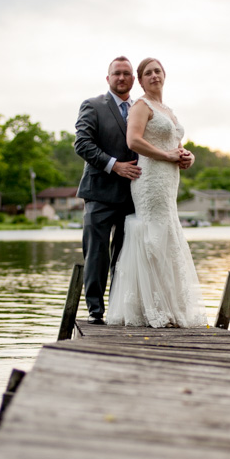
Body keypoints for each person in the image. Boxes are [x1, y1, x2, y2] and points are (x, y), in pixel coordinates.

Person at [107, 58, 208, 328]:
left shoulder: (169, 111)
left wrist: (188, 158)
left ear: (165, 75)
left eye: (157, 71)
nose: (154, 76)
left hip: (169, 181)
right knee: (154, 236)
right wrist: (166, 155)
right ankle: (150, 308)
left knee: (168, 236)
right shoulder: (141, 105)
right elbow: (133, 140)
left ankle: (170, 306)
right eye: (148, 73)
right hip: (149, 179)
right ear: (140, 81)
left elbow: (177, 145)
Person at [74, 57, 141, 324]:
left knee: (124, 257)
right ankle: (95, 312)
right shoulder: (92, 105)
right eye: (116, 73)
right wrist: (114, 166)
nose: (121, 78)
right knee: (97, 254)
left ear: (133, 79)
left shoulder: (140, 108)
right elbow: (82, 144)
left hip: (132, 196)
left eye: (126, 74)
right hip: (99, 192)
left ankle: (118, 310)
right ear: (108, 78)